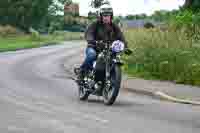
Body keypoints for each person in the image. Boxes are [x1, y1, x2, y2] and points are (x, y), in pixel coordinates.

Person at [77, 4, 128, 79]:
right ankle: (81, 72)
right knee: (91, 55)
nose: (106, 17)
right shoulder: (95, 24)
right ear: (101, 16)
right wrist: (92, 41)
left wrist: (126, 47)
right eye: (104, 15)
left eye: (108, 15)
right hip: (94, 47)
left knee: (114, 58)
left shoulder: (114, 26)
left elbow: (121, 37)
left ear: (111, 16)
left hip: (108, 49)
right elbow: (89, 33)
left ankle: (110, 78)